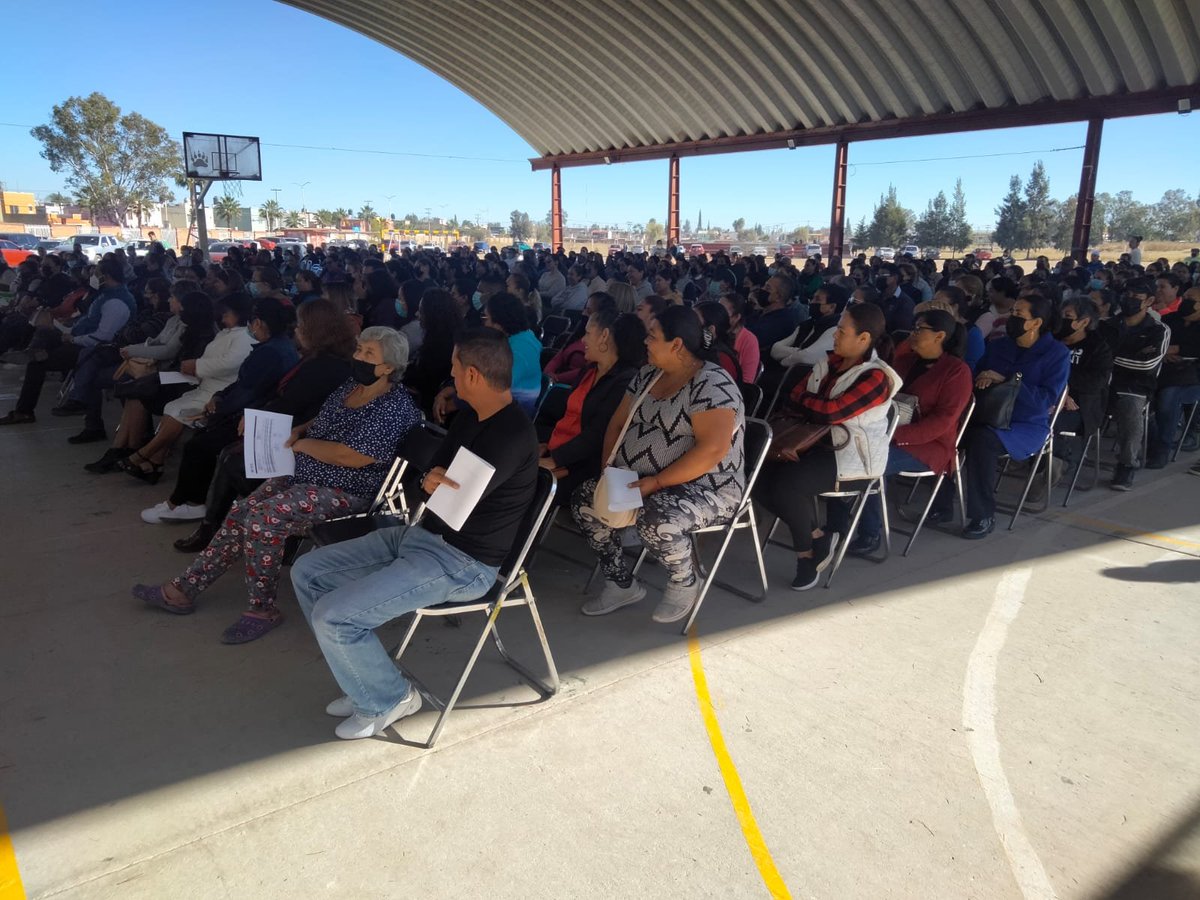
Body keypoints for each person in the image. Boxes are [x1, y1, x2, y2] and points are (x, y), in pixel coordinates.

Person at [290, 329, 538, 739]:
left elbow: (457, 496)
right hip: (421, 537)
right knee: (308, 573)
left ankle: (389, 698)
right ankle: (365, 681)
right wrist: (433, 480)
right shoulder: (468, 416)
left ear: (473, 375)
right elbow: (432, 480)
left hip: (464, 563)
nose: (450, 376)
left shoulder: (512, 433)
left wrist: (435, 482)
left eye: (455, 369)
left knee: (334, 617)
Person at [133, 327, 422, 645]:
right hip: (307, 476)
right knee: (242, 510)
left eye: (369, 354)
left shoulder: (393, 409)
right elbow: (324, 418)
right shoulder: (352, 386)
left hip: (347, 492)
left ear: (388, 368)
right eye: (359, 349)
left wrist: (304, 445)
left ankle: (262, 609)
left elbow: (353, 456)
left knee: (264, 518)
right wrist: (301, 429)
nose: (359, 357)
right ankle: (183, 589)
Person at [571, 305, 745, 624]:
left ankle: (684, 581)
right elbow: (616, 424)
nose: (645, 342)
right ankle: (620, 582)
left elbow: (713, 449)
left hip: (708, 490)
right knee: (585, 499)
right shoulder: (648, 375)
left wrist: (658, 482)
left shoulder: (712, 385)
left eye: (652, 336)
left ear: (676, 344)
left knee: (656, 517)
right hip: (643, 480)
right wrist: (610, 474)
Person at [150, 299, 356, 536]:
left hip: (288, 429)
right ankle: (207, 517)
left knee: (216, 451)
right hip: (278, 419)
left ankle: (208, 520)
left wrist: (235, 412)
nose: (296, 330)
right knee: (212, 445)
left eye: (301, 326)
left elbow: (283, 401)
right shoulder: (309, 355)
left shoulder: (316, 364)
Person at [752, 304, 901, 589]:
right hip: (814, 444)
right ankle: (819, 537)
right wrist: (815, 406)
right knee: (758, 475)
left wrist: (811, 405)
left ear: (864, 338)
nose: (834, 336)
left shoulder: (876, 376)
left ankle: (806, 555)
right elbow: (792, 396)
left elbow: (831, 412)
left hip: (852, 456)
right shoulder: (828, 363)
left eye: (841, 332)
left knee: (787, 485)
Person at [849, 308, 973, 553]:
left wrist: (894, 437)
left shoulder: (956, 371)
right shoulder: (906, 361)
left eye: (919, 329)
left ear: (939, 336)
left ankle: (869, 533)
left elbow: (942, 422)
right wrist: (908, 344)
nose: (912, 334)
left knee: (870, 464)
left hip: (928, 445)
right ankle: (842, 522)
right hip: (887, 433)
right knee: (846, 453)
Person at [952, 294, 1070, 536]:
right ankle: (941, 503)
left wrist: (1010, 381)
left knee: (980, 441)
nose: (1011, 319)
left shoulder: (1056, 353)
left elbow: (1045, 400)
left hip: (1025, 424)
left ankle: (983, 515)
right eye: (1012, 312)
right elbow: (976, 373)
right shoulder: (999, 345)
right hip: (986, 413)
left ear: (1036, 322)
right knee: (947, 431)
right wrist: (981, 377)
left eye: (1018, 315)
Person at [0, 257, 134, 426]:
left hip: (96, 348)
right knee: (44, 332)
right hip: (79, 337)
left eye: (96, 274)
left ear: (106, 276)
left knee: (38, 363)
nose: (92, 277)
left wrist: (72, 338)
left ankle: (24, 411)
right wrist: (69, 332)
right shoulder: (104, 295)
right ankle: (33, 351)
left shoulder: (116, 302)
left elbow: (102, 336)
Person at [540, 309, 645, 503]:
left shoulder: (625, 382)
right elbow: (567, 417)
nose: (583, 341)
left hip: (582, 465)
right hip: (559, 451)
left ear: (604, 336)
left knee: (526, 485)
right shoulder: (590, 370)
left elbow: (597, 435)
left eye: (588, 333)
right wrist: (545, 444)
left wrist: (555, 460)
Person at [1107, 278, 1169, 489]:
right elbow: (1095, 354)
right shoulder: (1108, 324)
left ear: (1149, 301)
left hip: (1134, 387)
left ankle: (1127, 465)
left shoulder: (1158, 330)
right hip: (1102, 382)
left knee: (1130, 409)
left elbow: (1146, 365)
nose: (1129, 300)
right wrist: (1122, 358)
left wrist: (1110, 359)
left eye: (1136, 297)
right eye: (1126, 296)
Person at [1052, 296, 1114, 478]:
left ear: (1084, 322)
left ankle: (1060, 461)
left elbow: (1095, 382)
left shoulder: (1098, 348)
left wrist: (1065, 388)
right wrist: (1061, 391)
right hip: (1051, 398)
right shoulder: (1052, 341)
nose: (1062, 320)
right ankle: (1038, 460)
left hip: (1082, 407)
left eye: (1068, 316)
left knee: (1046, 422)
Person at [1147, 286, 1200, 467]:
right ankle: (1150, 441)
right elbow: (1157, 343)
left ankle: (1162, 447)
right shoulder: (1170, 319)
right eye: (1185, 298)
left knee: (1168, 397)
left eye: (1191, 299)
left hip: (1192, 376)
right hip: (1162, 369)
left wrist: (1178, 349)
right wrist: (1167, 351)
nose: (1186, 301)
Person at [402, 288, 463, 415]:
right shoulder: (454, 334)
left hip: (428, 404)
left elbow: (423, 380)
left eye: (421, 311)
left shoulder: (440, 347)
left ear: (432, 315)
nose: (417, 315)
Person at [748, 272, 802, 358]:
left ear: (778, 297)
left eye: (768, 288)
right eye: (764, 285)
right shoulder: (761, 313)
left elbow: (749, 339)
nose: (762, 289)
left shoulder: (781, 321)